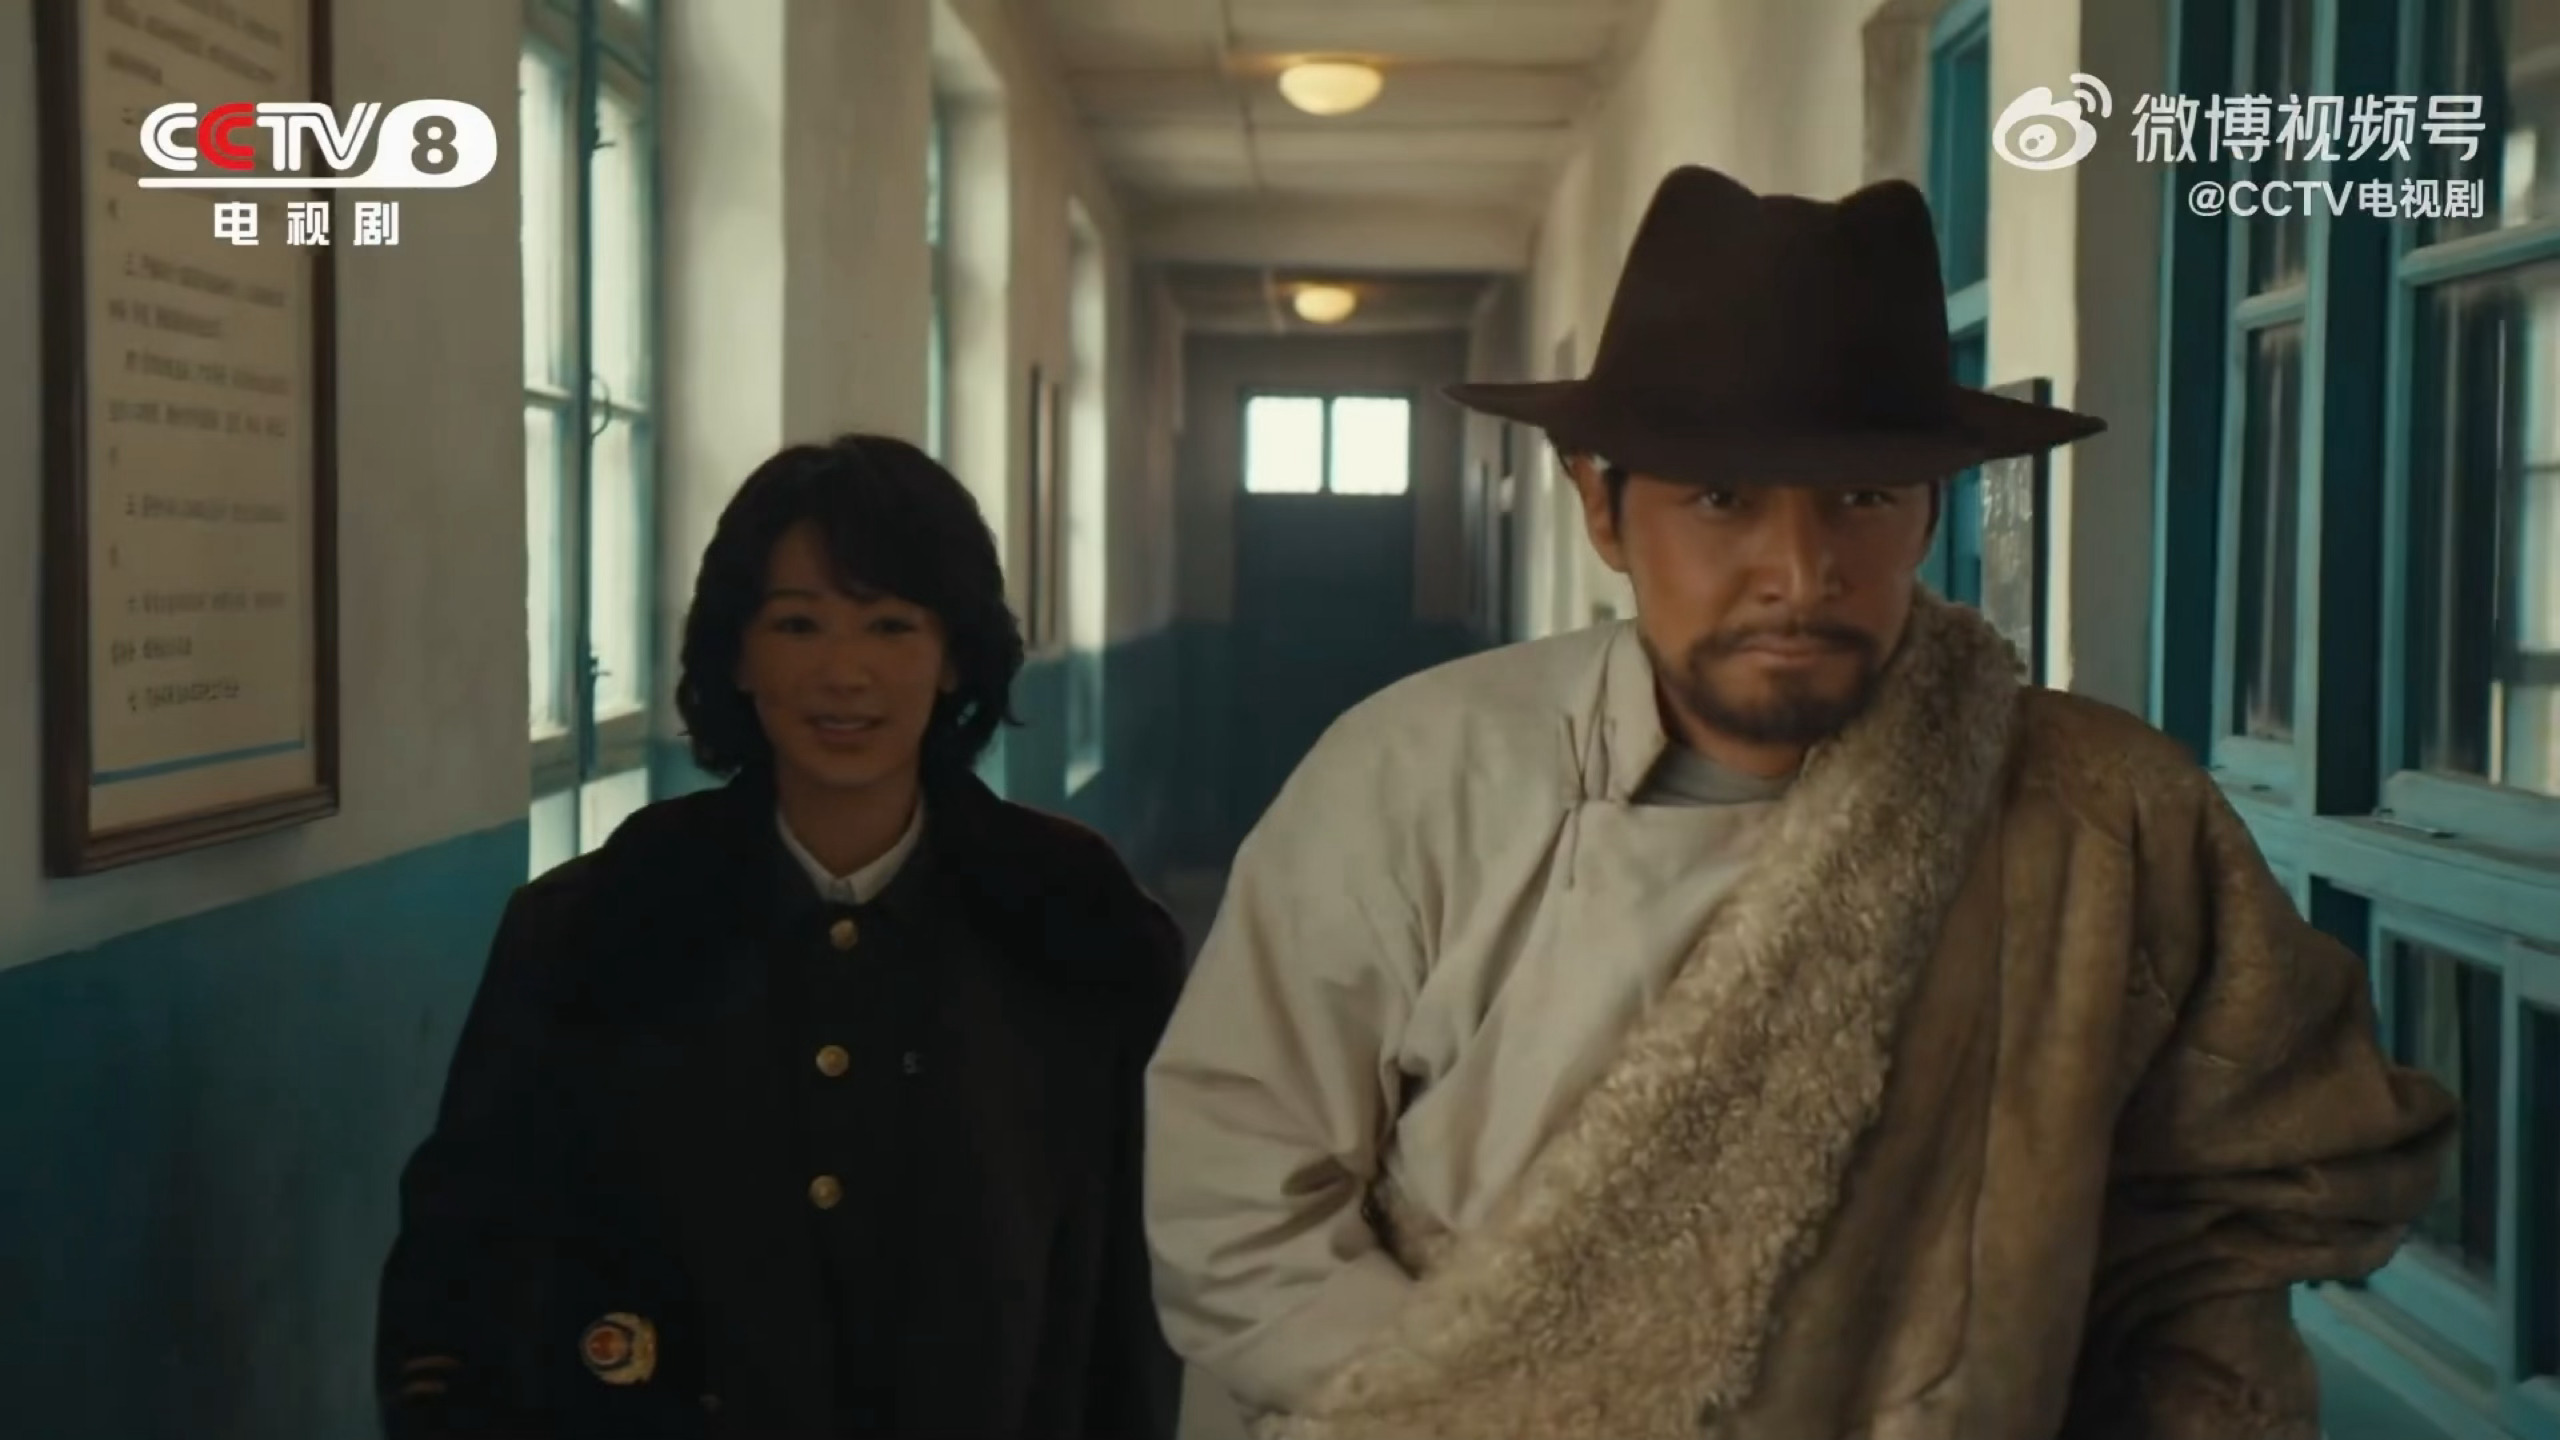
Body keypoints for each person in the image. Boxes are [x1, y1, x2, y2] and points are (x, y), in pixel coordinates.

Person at [1142, 166, 2457, 1440]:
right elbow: (1236, 1189)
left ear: (1927, 514)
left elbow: (2251, 1198)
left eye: (1860, 499)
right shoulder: (1415, 774)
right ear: (1601, 506)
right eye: (1722, 498)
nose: (1799, 567)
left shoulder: (2104, 811)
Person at [376, 433, 1185, 1440]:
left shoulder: (1077, 920)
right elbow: (464, 1247)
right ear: (738, 654)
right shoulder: (598, 921)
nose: (843, 673)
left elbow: (1139, 1275)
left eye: (891, 626)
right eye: (797, 624)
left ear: (953, 659)